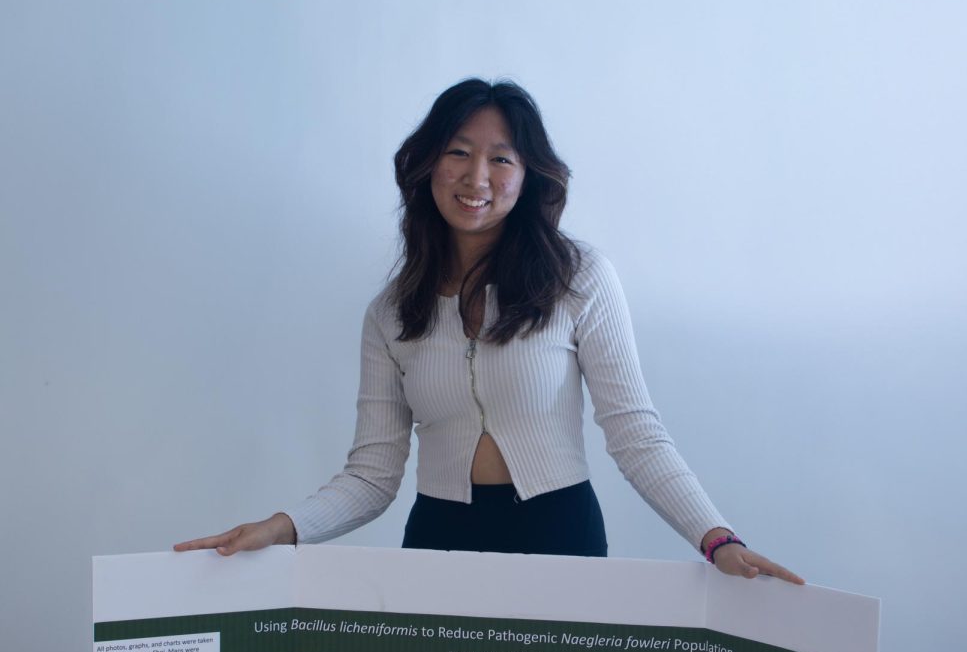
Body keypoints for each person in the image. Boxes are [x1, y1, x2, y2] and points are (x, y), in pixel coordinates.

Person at [176, 78, 801, 584]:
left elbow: (635, 432)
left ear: (528, 176)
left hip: (560, 536)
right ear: (427, 166)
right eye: (458, 153)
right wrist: (282, 527)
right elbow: (372, 475)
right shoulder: (391, 312)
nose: (477, 178)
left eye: (501, 158)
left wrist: (716, 538)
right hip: (440, 541)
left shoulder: (578, 278)